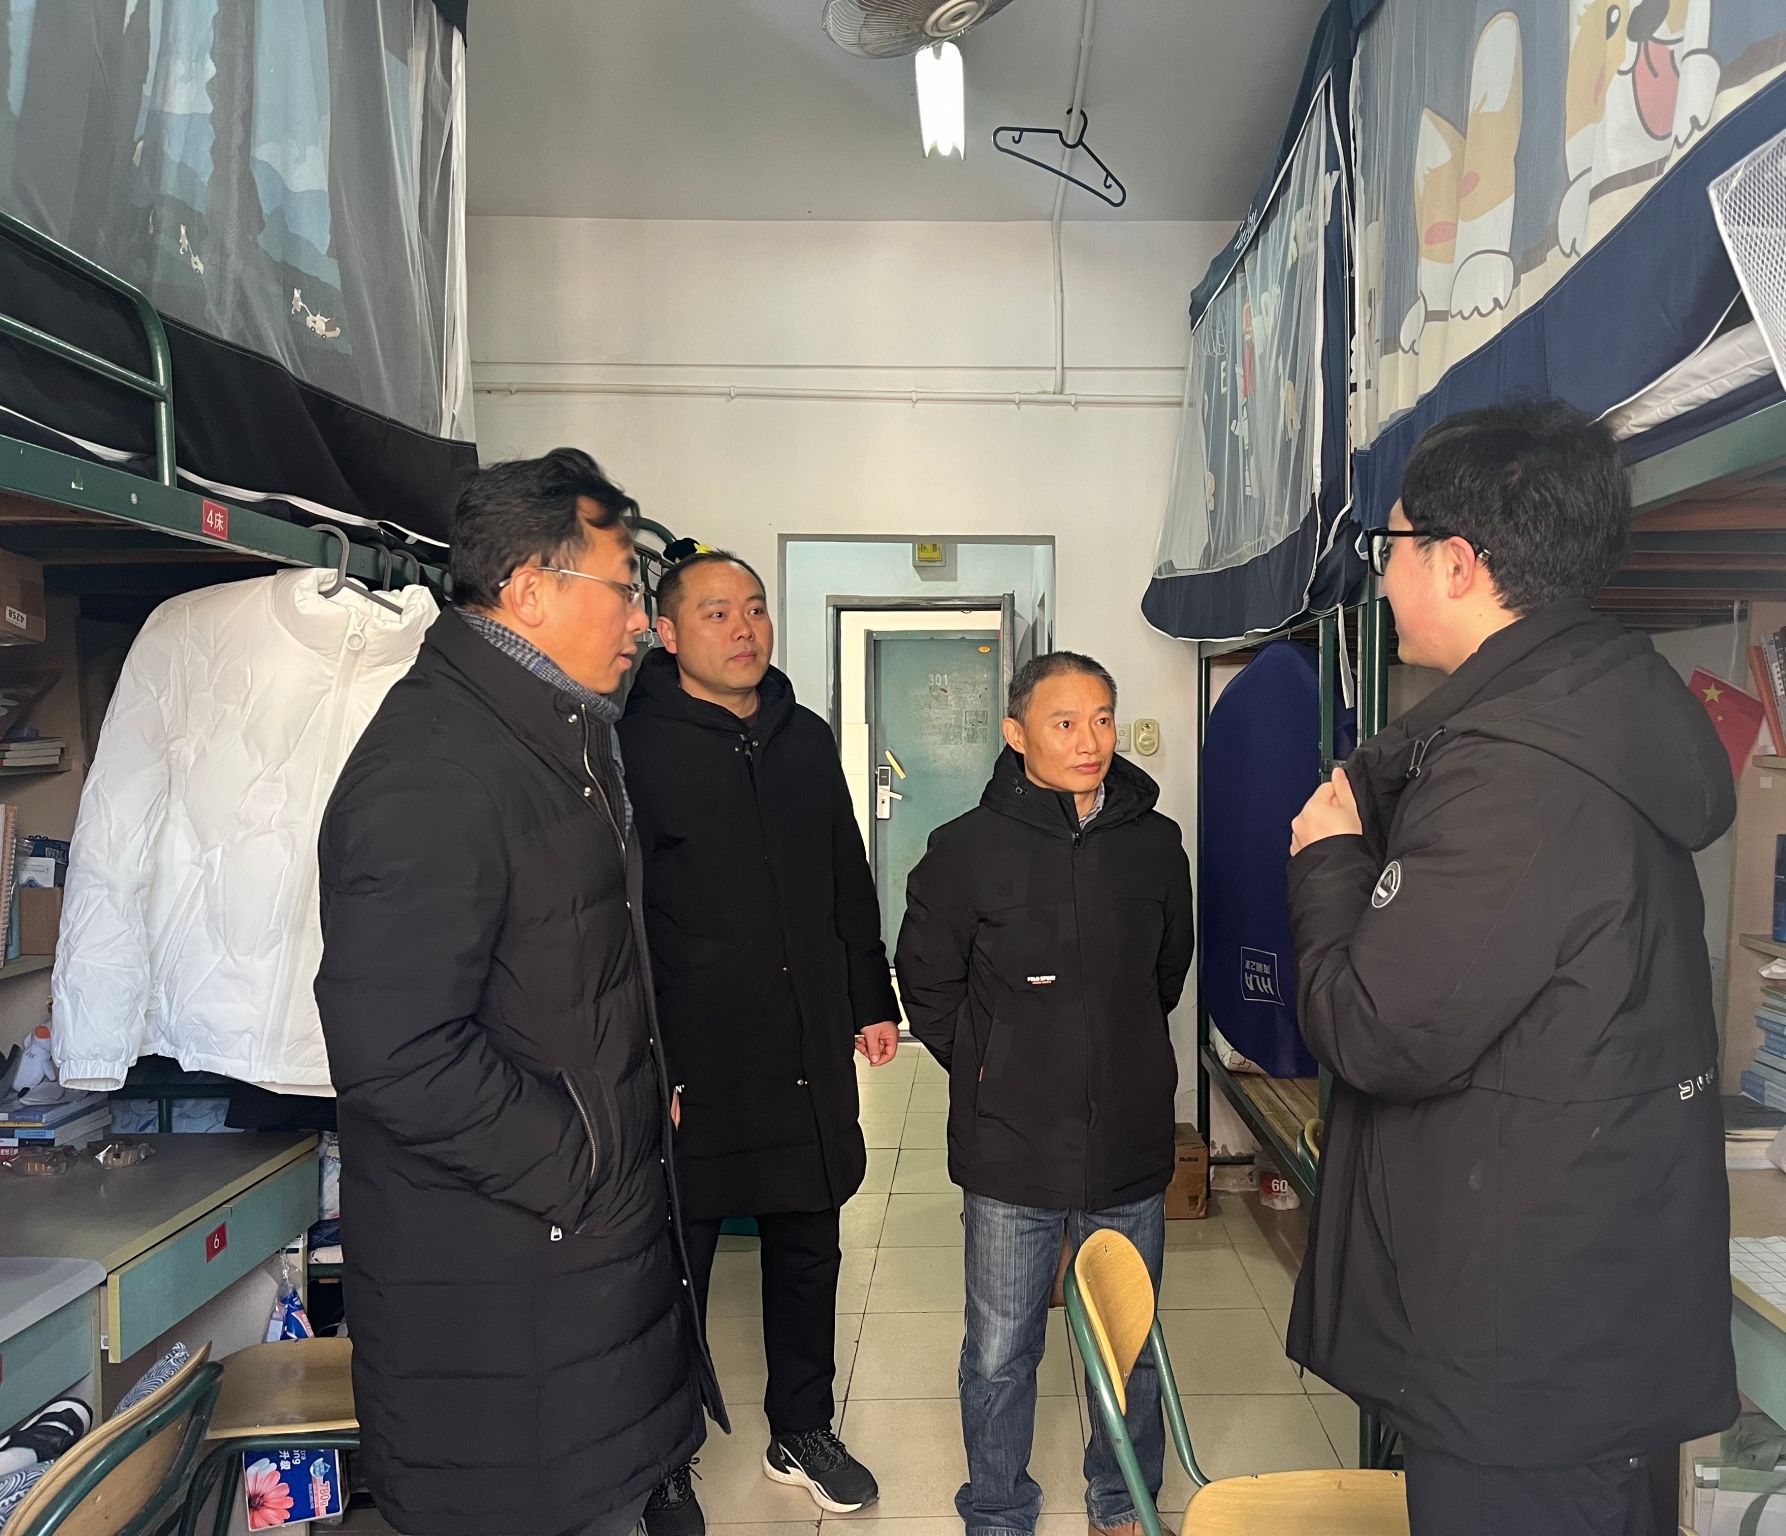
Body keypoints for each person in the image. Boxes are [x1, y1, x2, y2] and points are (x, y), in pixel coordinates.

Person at [1285, 399, 1738, 1536]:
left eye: (1389, 548)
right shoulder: (1588, 716)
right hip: (1569, 1306)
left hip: (1523, 1348)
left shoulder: (1519, 776)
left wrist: (1328, 860)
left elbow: (1374, 1029)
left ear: (1457, 562)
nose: (1382, 577)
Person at [315, 449, 724, 1536]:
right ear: (531, 590)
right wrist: (583, 1157)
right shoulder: (434, 768)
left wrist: (634, 1102)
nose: (641, 622)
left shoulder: (557, 740)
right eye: (623, 589)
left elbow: (570, 972)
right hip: (513, 1277)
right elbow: (396, 1053)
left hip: (576, 1263)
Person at [618, 541, 897, 1526]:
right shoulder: (631, 747)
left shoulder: (802, 737)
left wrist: (869, 996)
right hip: (693, 1050)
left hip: (801, 1038)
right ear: (666, 632)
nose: (743, 629)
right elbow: (617, 913)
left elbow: (845, 870)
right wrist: (644, 1058)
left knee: (807, 1237)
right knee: (676, 1261)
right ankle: (661, 1458)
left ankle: (802, 1429)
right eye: (716, 613)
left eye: (754, 609)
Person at [895, 651, 1194, 1536]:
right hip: (1011, 1146)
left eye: (1102, 718)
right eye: (1064, 723)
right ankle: (997, 1509)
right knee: (999, 1351)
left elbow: (1165, 972)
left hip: (1127, 1139)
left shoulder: (1154, 844)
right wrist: (994, 1066)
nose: (1089, 739)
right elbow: (928, 985)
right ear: (1016, 733)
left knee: (1129, 1344)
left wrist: (1116, 1052)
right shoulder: (964, 850)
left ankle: (1121, 1497)